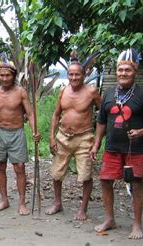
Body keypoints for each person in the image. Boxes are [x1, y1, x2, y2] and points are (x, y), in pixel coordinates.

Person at [90, 48, 143, 239]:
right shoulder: (109, 93)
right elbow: (101, 121)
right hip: (112, 147)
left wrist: (140, 132)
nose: (123, 74)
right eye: (120, 70)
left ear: (135, 71)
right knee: (105, 180)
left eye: (127, 70)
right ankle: (109, 219)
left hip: (136, 149)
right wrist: (96, 144)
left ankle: (137, 224)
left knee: (136, 183)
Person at [46, 60, 101, 220]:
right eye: (71, 74)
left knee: (85, 174)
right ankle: (57, 203)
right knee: (57, 172)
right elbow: (56, 114)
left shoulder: (92, 92)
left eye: (77, 74)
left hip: (84, 137)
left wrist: (97, 142)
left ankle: (83, 209)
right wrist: (52, 136)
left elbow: (104, 115)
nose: (74, 77)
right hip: (63, 136)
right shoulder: (63, 91)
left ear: (84, 75)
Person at [0, 62, 40, 215]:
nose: (4, 78)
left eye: (8, 75)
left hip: (16, 133)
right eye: (2, 75)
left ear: (14, 76)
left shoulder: (21, 92)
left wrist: (34, 130)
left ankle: (22, 202)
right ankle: (4, 199)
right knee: (0, 166)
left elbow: (29, 113)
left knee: (20, 168)